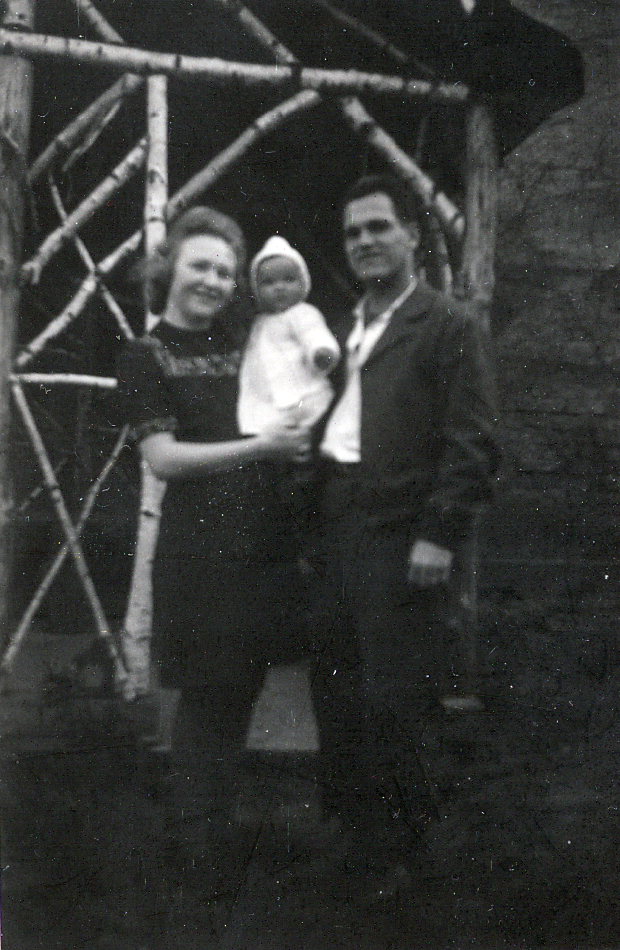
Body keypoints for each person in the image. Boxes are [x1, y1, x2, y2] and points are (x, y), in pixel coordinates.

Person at [311, 174, 501, 898]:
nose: (364, 241)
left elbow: (473, 443)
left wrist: (439, 535)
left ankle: (402, 856)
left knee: (394, 701)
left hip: (401, 534)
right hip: (336, 525)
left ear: (413, 234)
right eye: (353, 232)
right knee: (336, 688)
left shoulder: (448, 325)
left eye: (378, 227)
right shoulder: (341, 332)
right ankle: (350, 837)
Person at [117, 207, 310, 819]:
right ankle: (196, 855)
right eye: (200, 265)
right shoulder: (144, 355)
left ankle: (219, 844)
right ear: (169, 268)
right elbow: (163, 458)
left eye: (226, 272)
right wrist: (262, 446)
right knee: (206, 700)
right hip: (199, 552)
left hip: (258, 548)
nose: (213, 281)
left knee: (241, 693)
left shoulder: (247, 342)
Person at [237, 234, 340, 436]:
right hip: (270, 402)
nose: (279, 287)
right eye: (268, 282)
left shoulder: (302, 312)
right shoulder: (259, 323)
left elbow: (313, 333)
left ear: (303, 283)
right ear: (256, 290)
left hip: (304, 393)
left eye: (289, 279)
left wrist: (321, 351)